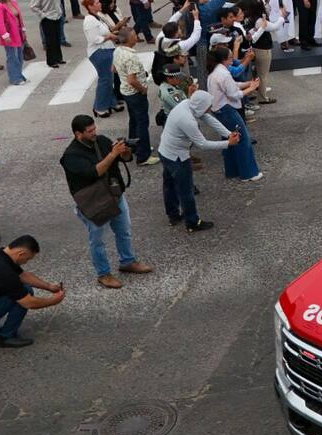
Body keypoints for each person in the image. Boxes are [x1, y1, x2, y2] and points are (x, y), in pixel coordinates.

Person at [60, 115, 154, 289]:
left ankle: (127, 261)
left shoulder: (101, 141)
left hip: (114, 195)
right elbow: (95, 172)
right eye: (89, 131)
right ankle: (103, 274)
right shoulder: (71, 156)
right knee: (97, 240)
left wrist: (125, 151)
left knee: (124, 230)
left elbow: (124, 159)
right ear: (77, 134)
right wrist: (113, 154)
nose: (94, 133)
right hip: (93, 203)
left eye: (94, 129)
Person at [159, 90, 239, 231]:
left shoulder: (187, 104)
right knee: (186, 190)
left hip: (165, 151)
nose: (210, 108)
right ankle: (192, 222)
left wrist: (228, 133)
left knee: (169, 185)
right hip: (178, 157)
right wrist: (228, 144)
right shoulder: (187, 120)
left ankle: (173, 215)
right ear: (201, 105)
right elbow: (202, 144)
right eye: (208, 105)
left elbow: (209, 119)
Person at [206, 45, 262, 181]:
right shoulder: (224, 74)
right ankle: (249, 173)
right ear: (224, 59)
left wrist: (248, 83)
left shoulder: (215, 72)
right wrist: (252, 87)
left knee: (228, 141)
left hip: (218, 110)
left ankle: (233, 171)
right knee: (242, 139)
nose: (232, 60)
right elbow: (234, 94)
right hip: (227, 110)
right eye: (230, 57)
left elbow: (233, 85)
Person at [113, 29, 158, 165]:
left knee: (133, 120)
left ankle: (133, 145)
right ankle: (143, 155)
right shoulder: (131, 56)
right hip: (135, 93)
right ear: (128, 39)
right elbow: (132, 80)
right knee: (142, 123)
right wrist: (143, 89)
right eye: (133, 36)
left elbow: (113, 69)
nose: (136, 38)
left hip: (125, 92)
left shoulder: (117, 51)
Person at [83, 0, 128, 117]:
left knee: (110, 79)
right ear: (90, 6)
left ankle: (111, 102)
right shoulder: (89, 20)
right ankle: (100, 107)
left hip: (107, 49)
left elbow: (106, 31)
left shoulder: (97, 17)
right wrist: (110, 36)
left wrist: (114, 32)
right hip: (99, 52)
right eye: (97, 3)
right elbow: (94, 39)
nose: (100, 4)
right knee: (105, 79)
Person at [239, 0, 283, 102]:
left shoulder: (250, 18)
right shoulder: (260, 21)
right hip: (263, 49)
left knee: (255, 72)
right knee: (262, 75)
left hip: (255, 49)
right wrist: (281, 17)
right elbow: (275, 27)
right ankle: (263, 97)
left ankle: (253, 91)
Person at [0, 0, 27, 85]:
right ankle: (14, 78)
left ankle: (19, 74)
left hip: (18, 32)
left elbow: (20, 18)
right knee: (12, 57)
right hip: (10, 35)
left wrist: (23, 30)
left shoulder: (14, 3)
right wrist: (5, 35)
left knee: (20, 56)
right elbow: (0, 22)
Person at [29, 0, 65, 68]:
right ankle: (51, 60)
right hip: (48, 18)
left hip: (57, 16)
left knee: (57, 38)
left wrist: (60, 12)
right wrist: (43, 15)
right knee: (50, 40)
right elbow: (33, 6)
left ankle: (58, 58)